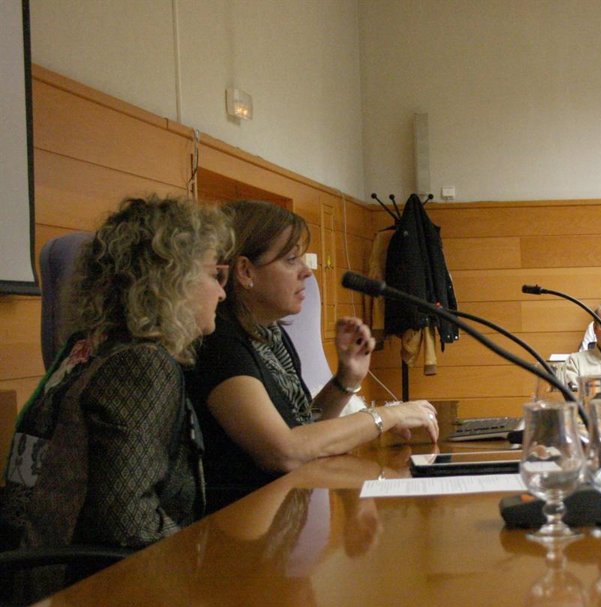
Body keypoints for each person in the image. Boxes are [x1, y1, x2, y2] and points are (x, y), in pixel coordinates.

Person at [0, 195, 231, 562]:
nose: (221, 291)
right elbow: (130, 526)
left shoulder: (86, 348)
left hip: (38, 571)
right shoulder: (143, 365)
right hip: (88, 586)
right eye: (213, 274)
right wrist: (207, 561)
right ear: (172, 278)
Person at [189, 200, 439, 513]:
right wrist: (388, 416)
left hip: (285, 515)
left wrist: (346, 380)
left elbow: (305, 426)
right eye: (291, 259)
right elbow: (284, 451)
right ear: (245, 271)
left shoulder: (271, 336)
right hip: (236, 523)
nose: (306, 272)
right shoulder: (221, 343)